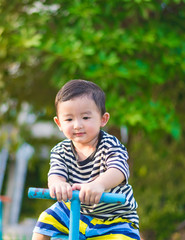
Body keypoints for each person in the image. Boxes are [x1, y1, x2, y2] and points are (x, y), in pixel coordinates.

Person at [32, 79, 140, 240]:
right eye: (69, 119)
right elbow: (55, 173)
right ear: (59, 123)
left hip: (115, 218)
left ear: (103, 119)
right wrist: (58, 184)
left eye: (85, 118)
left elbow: (119, 170)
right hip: (76, 213)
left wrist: (98, 184)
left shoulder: (110, 145)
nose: (77, 125)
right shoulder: (60, 151)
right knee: (45, 220)